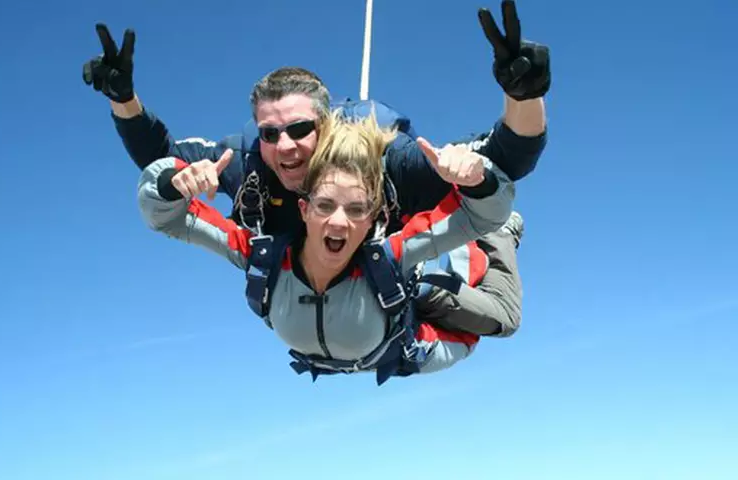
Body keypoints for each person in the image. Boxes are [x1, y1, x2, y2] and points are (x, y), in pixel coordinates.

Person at [85, 0, 546, 337]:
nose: (284, 147)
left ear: (327, 125)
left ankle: (498, 236)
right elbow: (158, 161)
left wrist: (523, 93)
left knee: (498, 320)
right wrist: (124, 99)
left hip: (396, 264)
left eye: (299, 129)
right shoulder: (245, 165)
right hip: (323, 294)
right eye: (270, 133)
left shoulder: (384, 159)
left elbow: (509, 157)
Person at [137, 110, 516, 385]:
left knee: (502, 319)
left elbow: (481, 214)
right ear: (303, 209)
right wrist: (173, 183)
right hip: (369, 352)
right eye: (324, 206)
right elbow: (166, 214)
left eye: (355, 210)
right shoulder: (261, 256)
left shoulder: (393, 254)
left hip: (406, 347)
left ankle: (504, 239)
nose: (338, 222)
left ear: (373, 220)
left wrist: (478, 181)